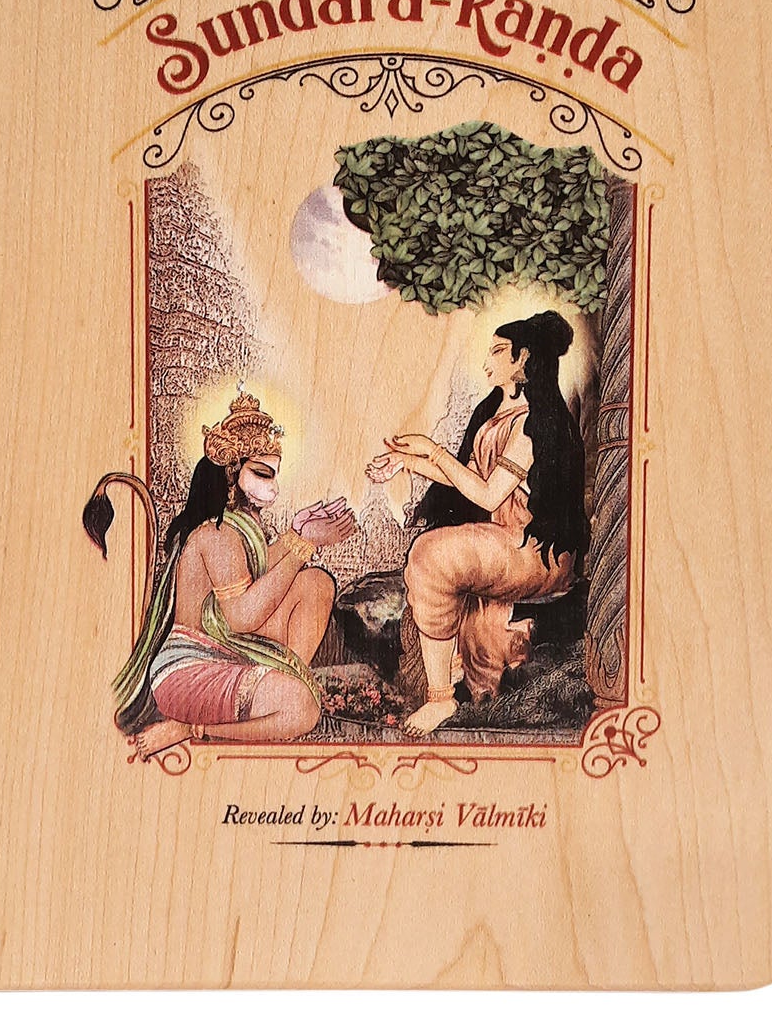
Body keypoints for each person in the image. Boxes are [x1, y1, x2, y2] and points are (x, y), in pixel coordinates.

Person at [83, 389, 355, 760]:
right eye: (261, 473)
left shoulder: (238, 530)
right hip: (190, 671)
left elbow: (260, 573)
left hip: (227, 655)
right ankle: (190, 729)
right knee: (301, 710)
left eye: (274, 475)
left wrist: (297, 534)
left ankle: (285, 683)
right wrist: (303, 545)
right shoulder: (217, 533)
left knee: (315, 583)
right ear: (231, 473)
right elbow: (241, 617)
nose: (273, 487)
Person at [367, 310, 588, 734]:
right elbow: (466, 477)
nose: (487, 360)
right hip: (504, 539)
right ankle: (445, 685)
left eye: (499, 351)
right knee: (433, 552)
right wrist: (407, 462)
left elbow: (487, 495)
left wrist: (433, 451)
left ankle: (440, 699)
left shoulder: (538, 422)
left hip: (534, 549)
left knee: (432, 554)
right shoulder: (493, 414)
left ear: (525, 358)